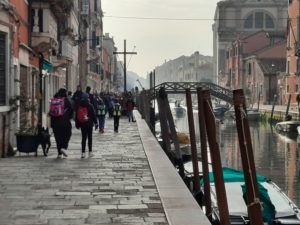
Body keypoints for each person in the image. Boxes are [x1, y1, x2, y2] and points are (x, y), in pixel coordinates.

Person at [49, 88, 73, 159]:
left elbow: (51, 112)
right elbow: (71, 109)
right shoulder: (65, 100)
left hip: (55, 123)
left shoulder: (54, 100)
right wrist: (69, 117)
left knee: (58, 137)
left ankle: (59, 153)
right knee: (67, 134)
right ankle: (64, 147)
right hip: (65, 122)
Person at [75, 93, 98, 158]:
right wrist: (96, 123)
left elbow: (77, 116)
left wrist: (77, 124)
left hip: (83, 124)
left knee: (83, 138)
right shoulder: (90, 105)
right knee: (90, 138)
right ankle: (90, 152)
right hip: (89, 124)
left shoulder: (79, 105)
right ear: (87, 98)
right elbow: (93, 115)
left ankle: (83, 153)